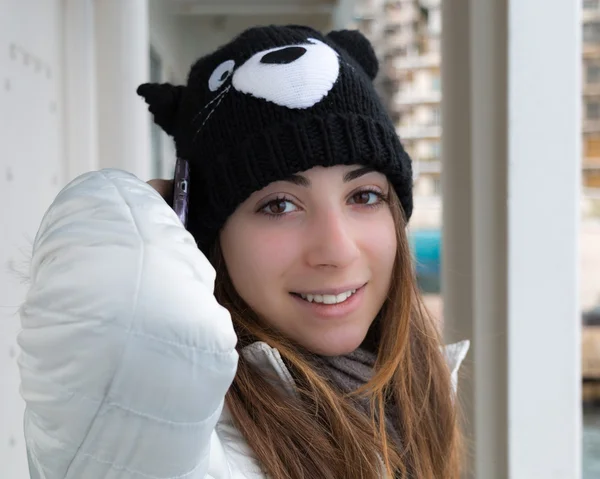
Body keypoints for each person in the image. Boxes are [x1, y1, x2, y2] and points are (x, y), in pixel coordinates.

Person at [17, 25, 469, 479]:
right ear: (201, 234)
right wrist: (134, 219)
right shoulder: (174, 427)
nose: (336, 249)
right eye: (279, 205)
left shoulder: (412, 398)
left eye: (364, 196)